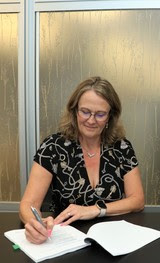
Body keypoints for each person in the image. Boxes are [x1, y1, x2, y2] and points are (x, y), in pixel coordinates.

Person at [20, 76, 145, 244]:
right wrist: (34, 223)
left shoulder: (122, 147)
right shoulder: (53, 147)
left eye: (100, 114)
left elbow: (137, 200)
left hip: (113, 239)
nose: (91, 120)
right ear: (74, 111)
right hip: (64, 239)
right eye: (85, 112)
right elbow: (29, 203)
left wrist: (95, 210)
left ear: (110, 116)